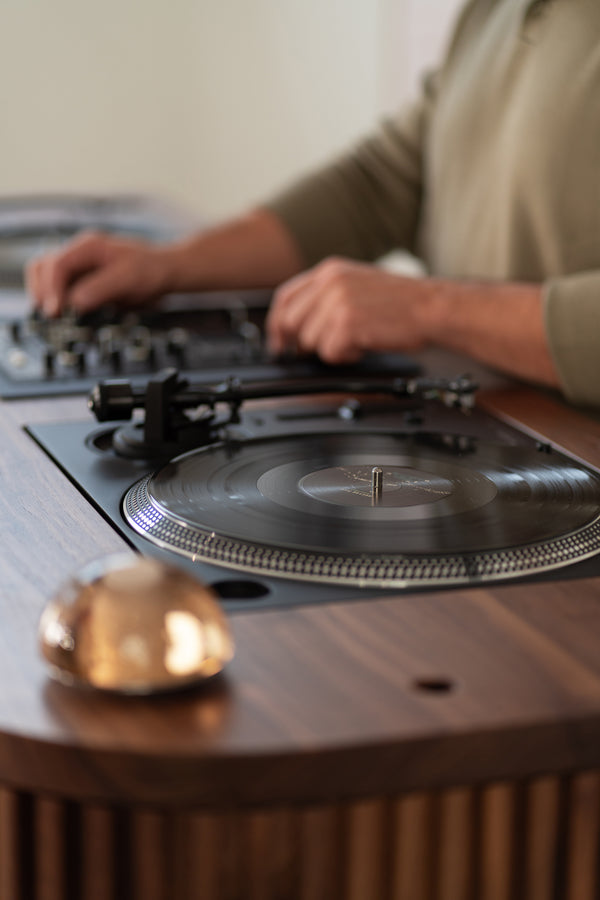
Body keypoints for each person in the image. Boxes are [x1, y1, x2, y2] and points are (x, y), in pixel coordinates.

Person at [27, 0, 600, 407]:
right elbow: (379, 183)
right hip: (489, 420)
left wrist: (430, 309)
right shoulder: (490, 10)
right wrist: (171, 265)